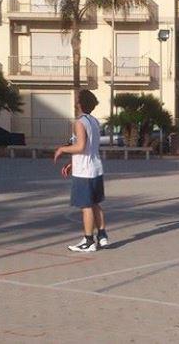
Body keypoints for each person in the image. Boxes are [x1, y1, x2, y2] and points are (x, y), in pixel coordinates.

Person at [53, 90, 109, 252]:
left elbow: (80, 146)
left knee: (86, 206)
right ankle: (102, 235)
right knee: (95, 203)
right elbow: (88, 148)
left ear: (80, 103)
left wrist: (62, 149)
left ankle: (88, 240)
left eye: (77, 99)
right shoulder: (94, 121)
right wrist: (72, 163)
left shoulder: (79, 123)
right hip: (95, 167)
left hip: (84, 171)